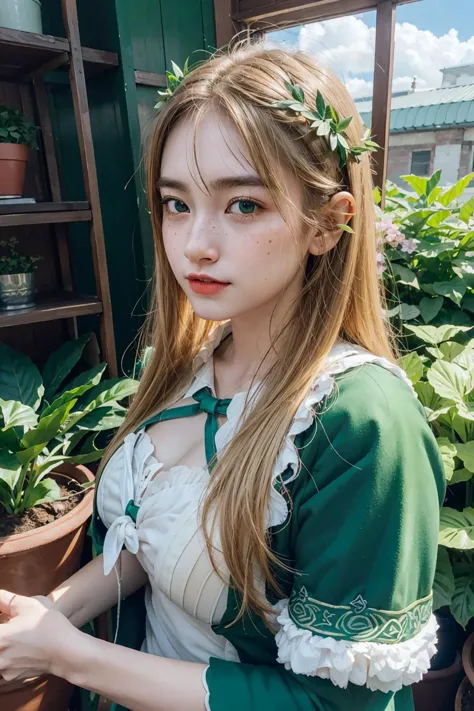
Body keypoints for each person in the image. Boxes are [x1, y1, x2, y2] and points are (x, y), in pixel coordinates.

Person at [0, 44, 444, 711]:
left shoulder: (358, 423)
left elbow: (336, 705)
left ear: (330, 221)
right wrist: (44, 615)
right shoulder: (186, 365)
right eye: (176, 204)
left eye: (243, 205)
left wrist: (71, 654)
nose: (195, 243)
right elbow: (152, 541)